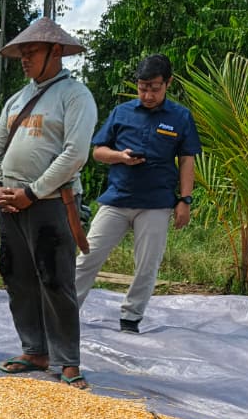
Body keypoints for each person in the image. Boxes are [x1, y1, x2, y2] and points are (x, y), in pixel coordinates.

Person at [0, 17, 97, 389]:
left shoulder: (75, 96)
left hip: (50, 203)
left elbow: (74, 154)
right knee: (16, 276)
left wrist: (32, 192)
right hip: (11, 204)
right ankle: (34, 349)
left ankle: (67, 360)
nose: (24, 58)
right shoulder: (16, 100)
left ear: (56, 52)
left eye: (31, 52)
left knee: (55, 279)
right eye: (21, 52)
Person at [74, 54, 201, 332]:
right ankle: (66, 311)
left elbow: (188, 160)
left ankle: (131, 318)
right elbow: (97, 152)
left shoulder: (180, 117)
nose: (148, 94)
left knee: (147, 265)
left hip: (156, 203)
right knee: (87, 256)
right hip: (117, 200)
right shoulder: (122, 112)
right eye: (143, 88)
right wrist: (120, 156)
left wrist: (185, 200)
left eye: (154, 88)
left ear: (168, 83)